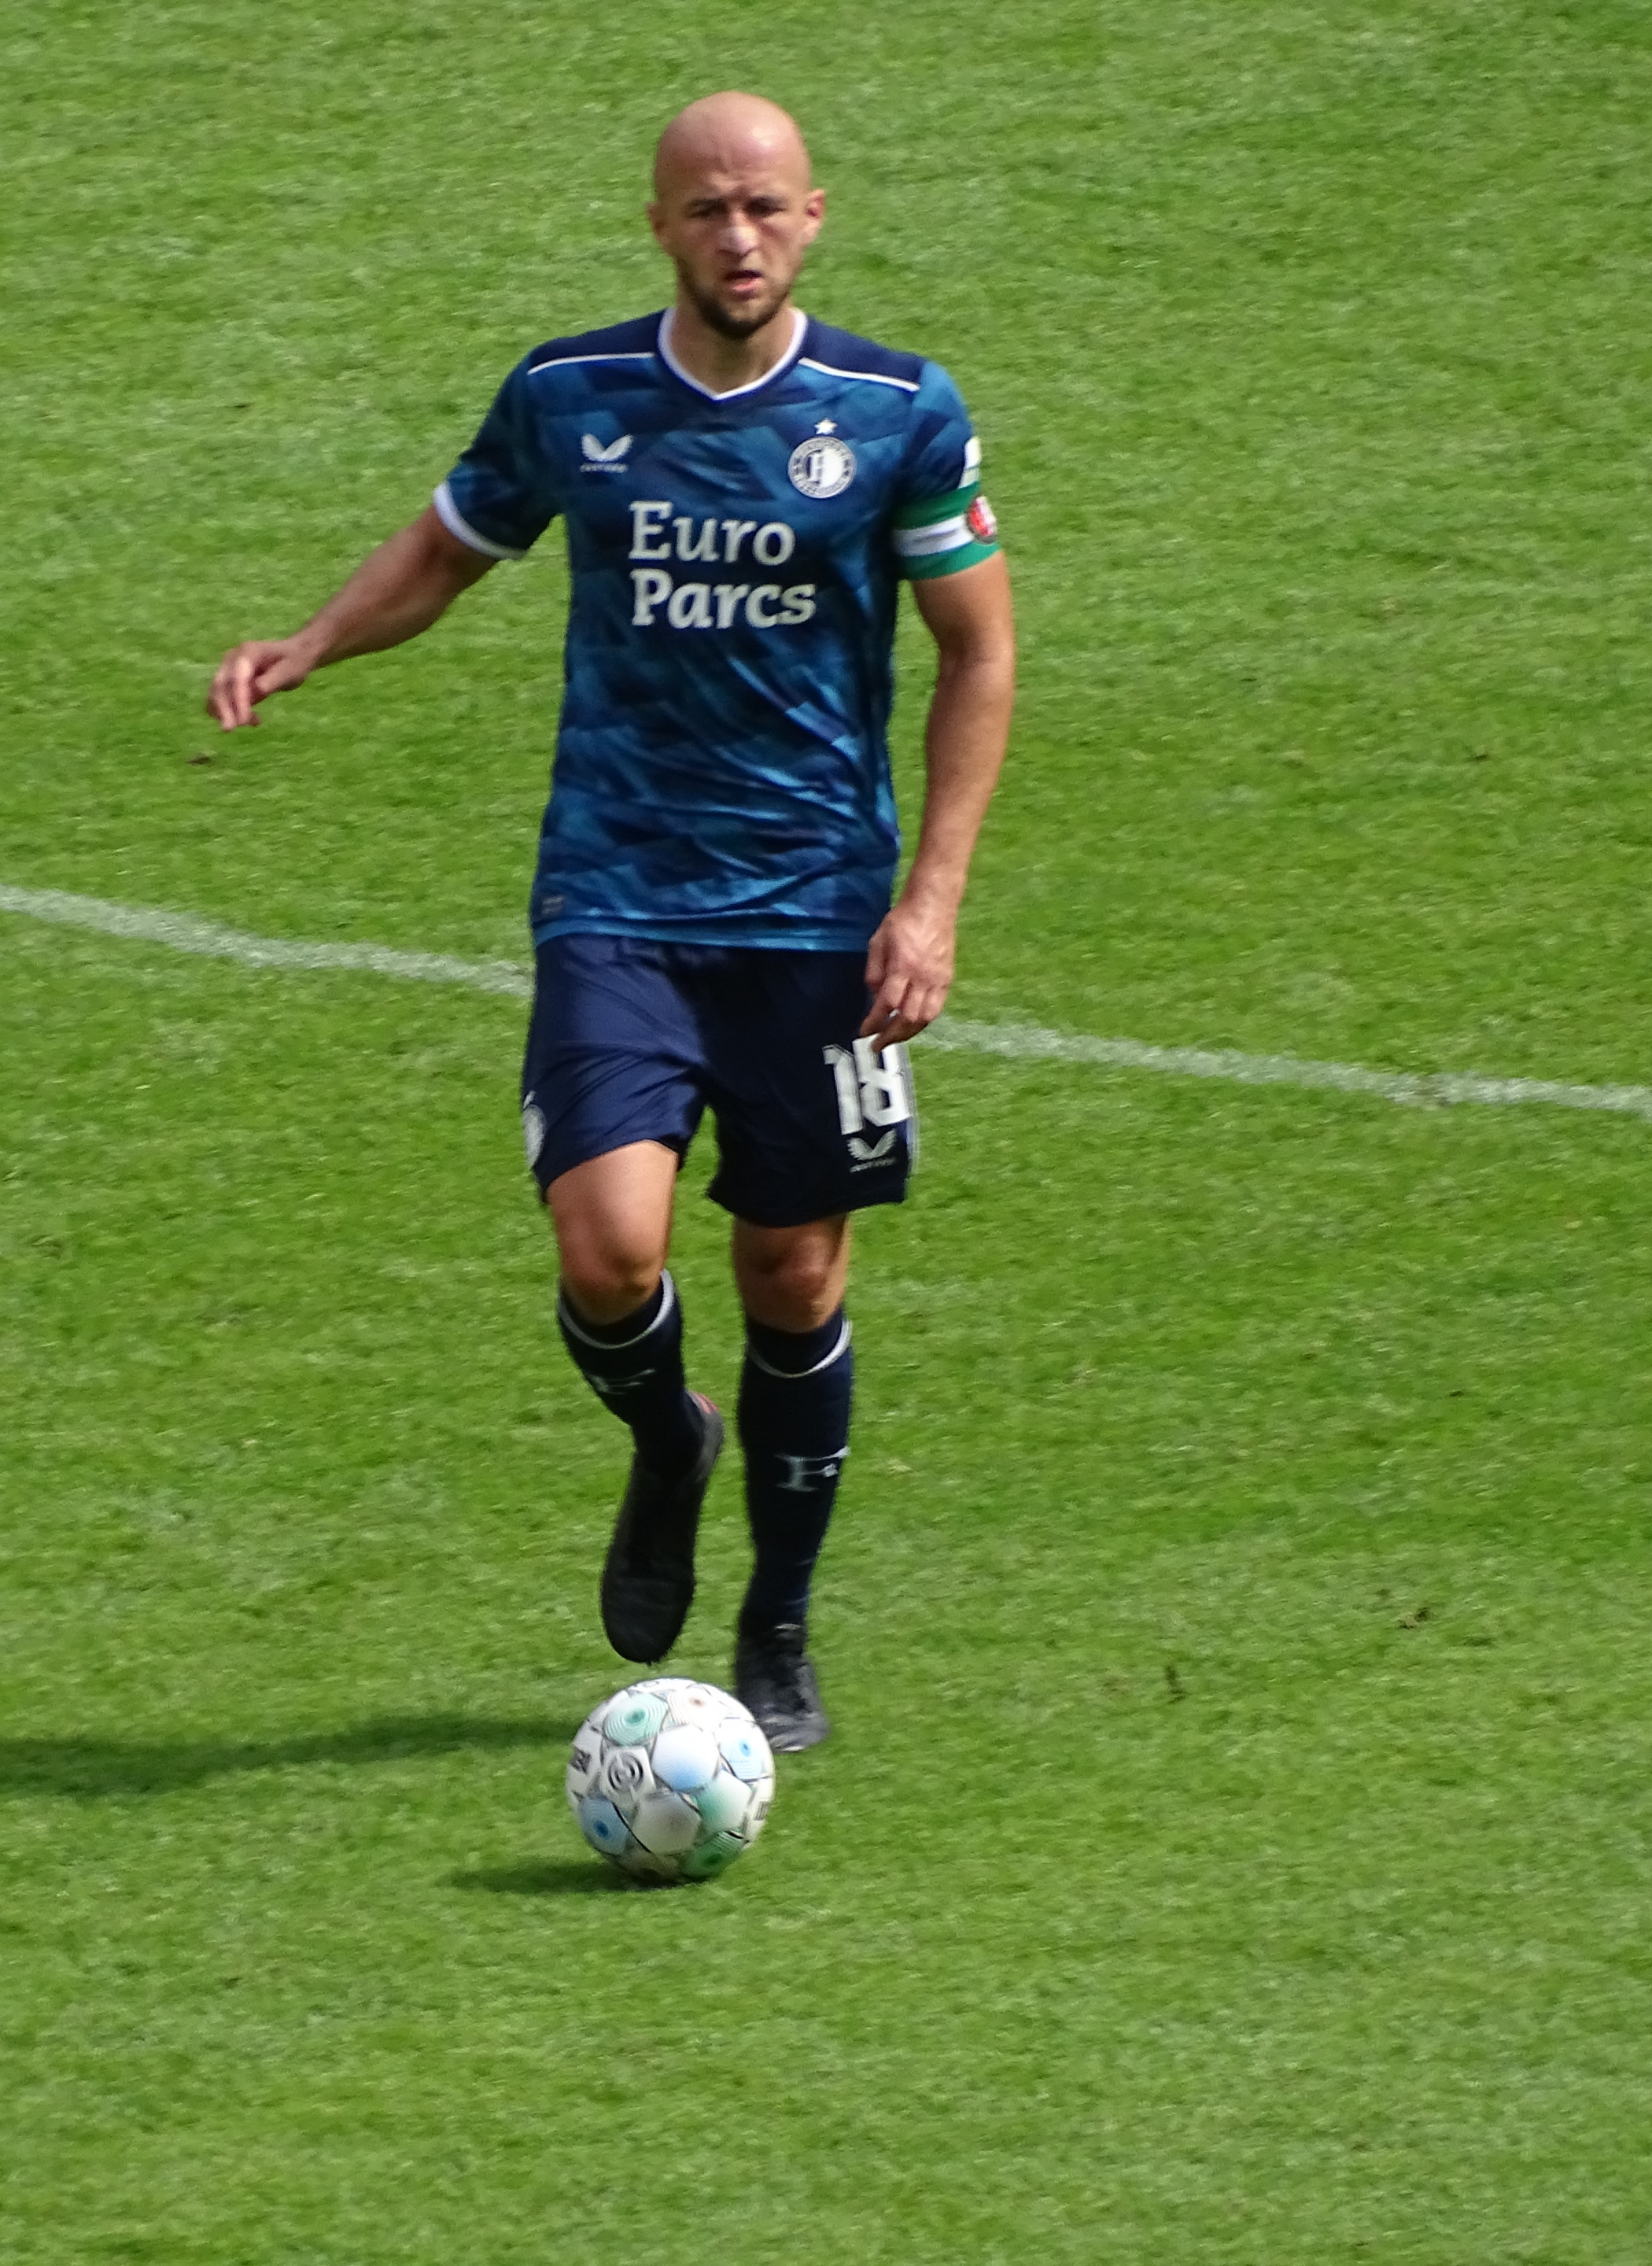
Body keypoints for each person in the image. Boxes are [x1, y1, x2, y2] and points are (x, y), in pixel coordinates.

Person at [206, 90, 1014, 1749]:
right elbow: (451, 546)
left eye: (768, 208)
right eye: (709, 209)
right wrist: (310, 643)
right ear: (659, 221)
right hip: (618, 898)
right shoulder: (574, 396)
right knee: (611, 1246)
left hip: (817, 917)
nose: (739, 236)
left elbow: (978, 654)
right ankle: (666, 1442)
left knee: (792, 1270)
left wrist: (929, 903)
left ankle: (775, 1628)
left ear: (816, 218)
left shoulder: (898, 411)